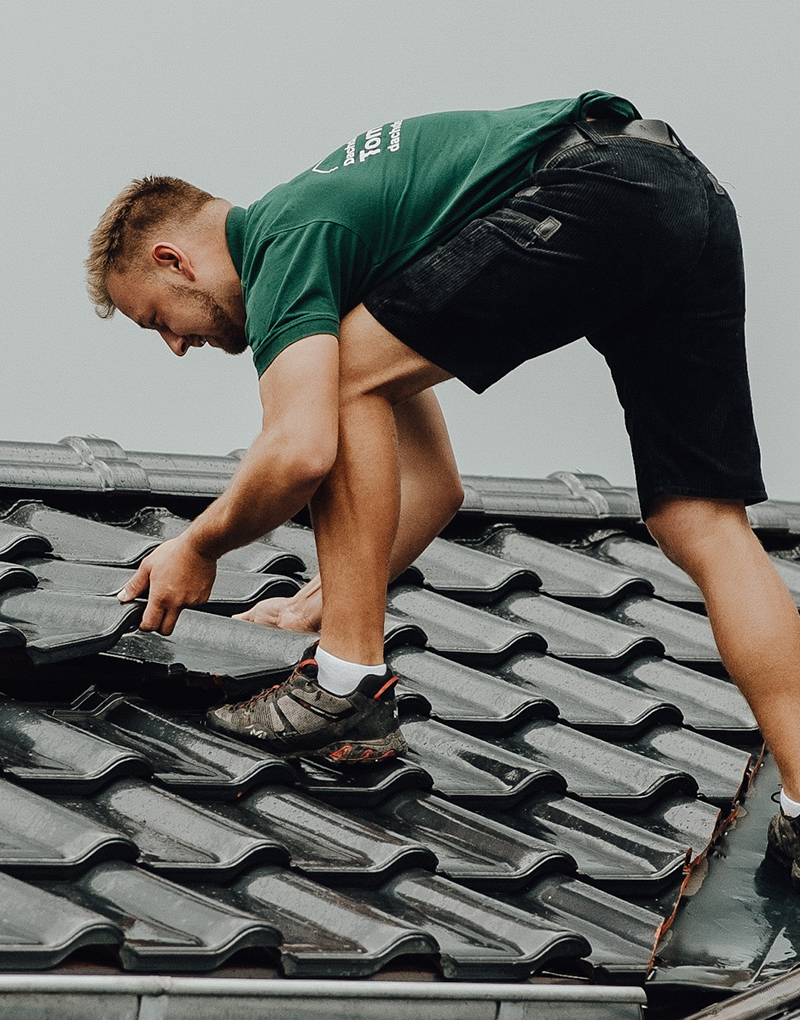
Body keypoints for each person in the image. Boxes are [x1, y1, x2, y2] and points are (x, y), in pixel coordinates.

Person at [87, 91, 800, 882]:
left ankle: (346, 682)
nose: (178, 346)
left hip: (594, 185)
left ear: (173, 261)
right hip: (678, 187)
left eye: (158, 321)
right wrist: (315, 598)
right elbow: (434, 490)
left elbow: (299, 451)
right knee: (699, 519)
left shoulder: (285, 237)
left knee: (341, 385)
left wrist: (197, 544)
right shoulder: (359, 254)